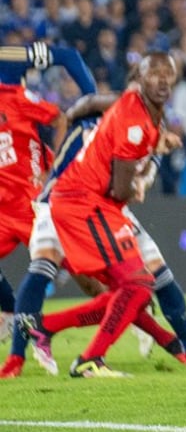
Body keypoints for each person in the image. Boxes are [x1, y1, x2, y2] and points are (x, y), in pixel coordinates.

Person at [5, 89, 186, 377]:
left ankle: (183, 347)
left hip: (103, 209)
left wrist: (143, 177)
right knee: (119, 283)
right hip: (66, 204)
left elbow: (148, 163)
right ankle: (25, 355)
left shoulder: (139, 129)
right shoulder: (98, 129)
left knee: (138, 284)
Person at [19, 52, 177, 378]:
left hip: (83, 202)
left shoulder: (138, 109)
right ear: (139, 78)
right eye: (154, 74)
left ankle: (46, 328)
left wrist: (73, 114)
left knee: (131, 288)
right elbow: (120, 192)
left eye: (168, 74)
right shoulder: (135, 122)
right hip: (83, 204)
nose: (162, 80)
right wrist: (146, 173)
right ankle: (87, 358)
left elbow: (91, 103)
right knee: (136, 285)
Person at [0, 78, 66, 349]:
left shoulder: (16, 96)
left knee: (85, 271)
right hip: (3, 209)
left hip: (31, 203)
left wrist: (55, 171)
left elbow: (59, 119)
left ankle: (134, 309)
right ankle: (12, 313)